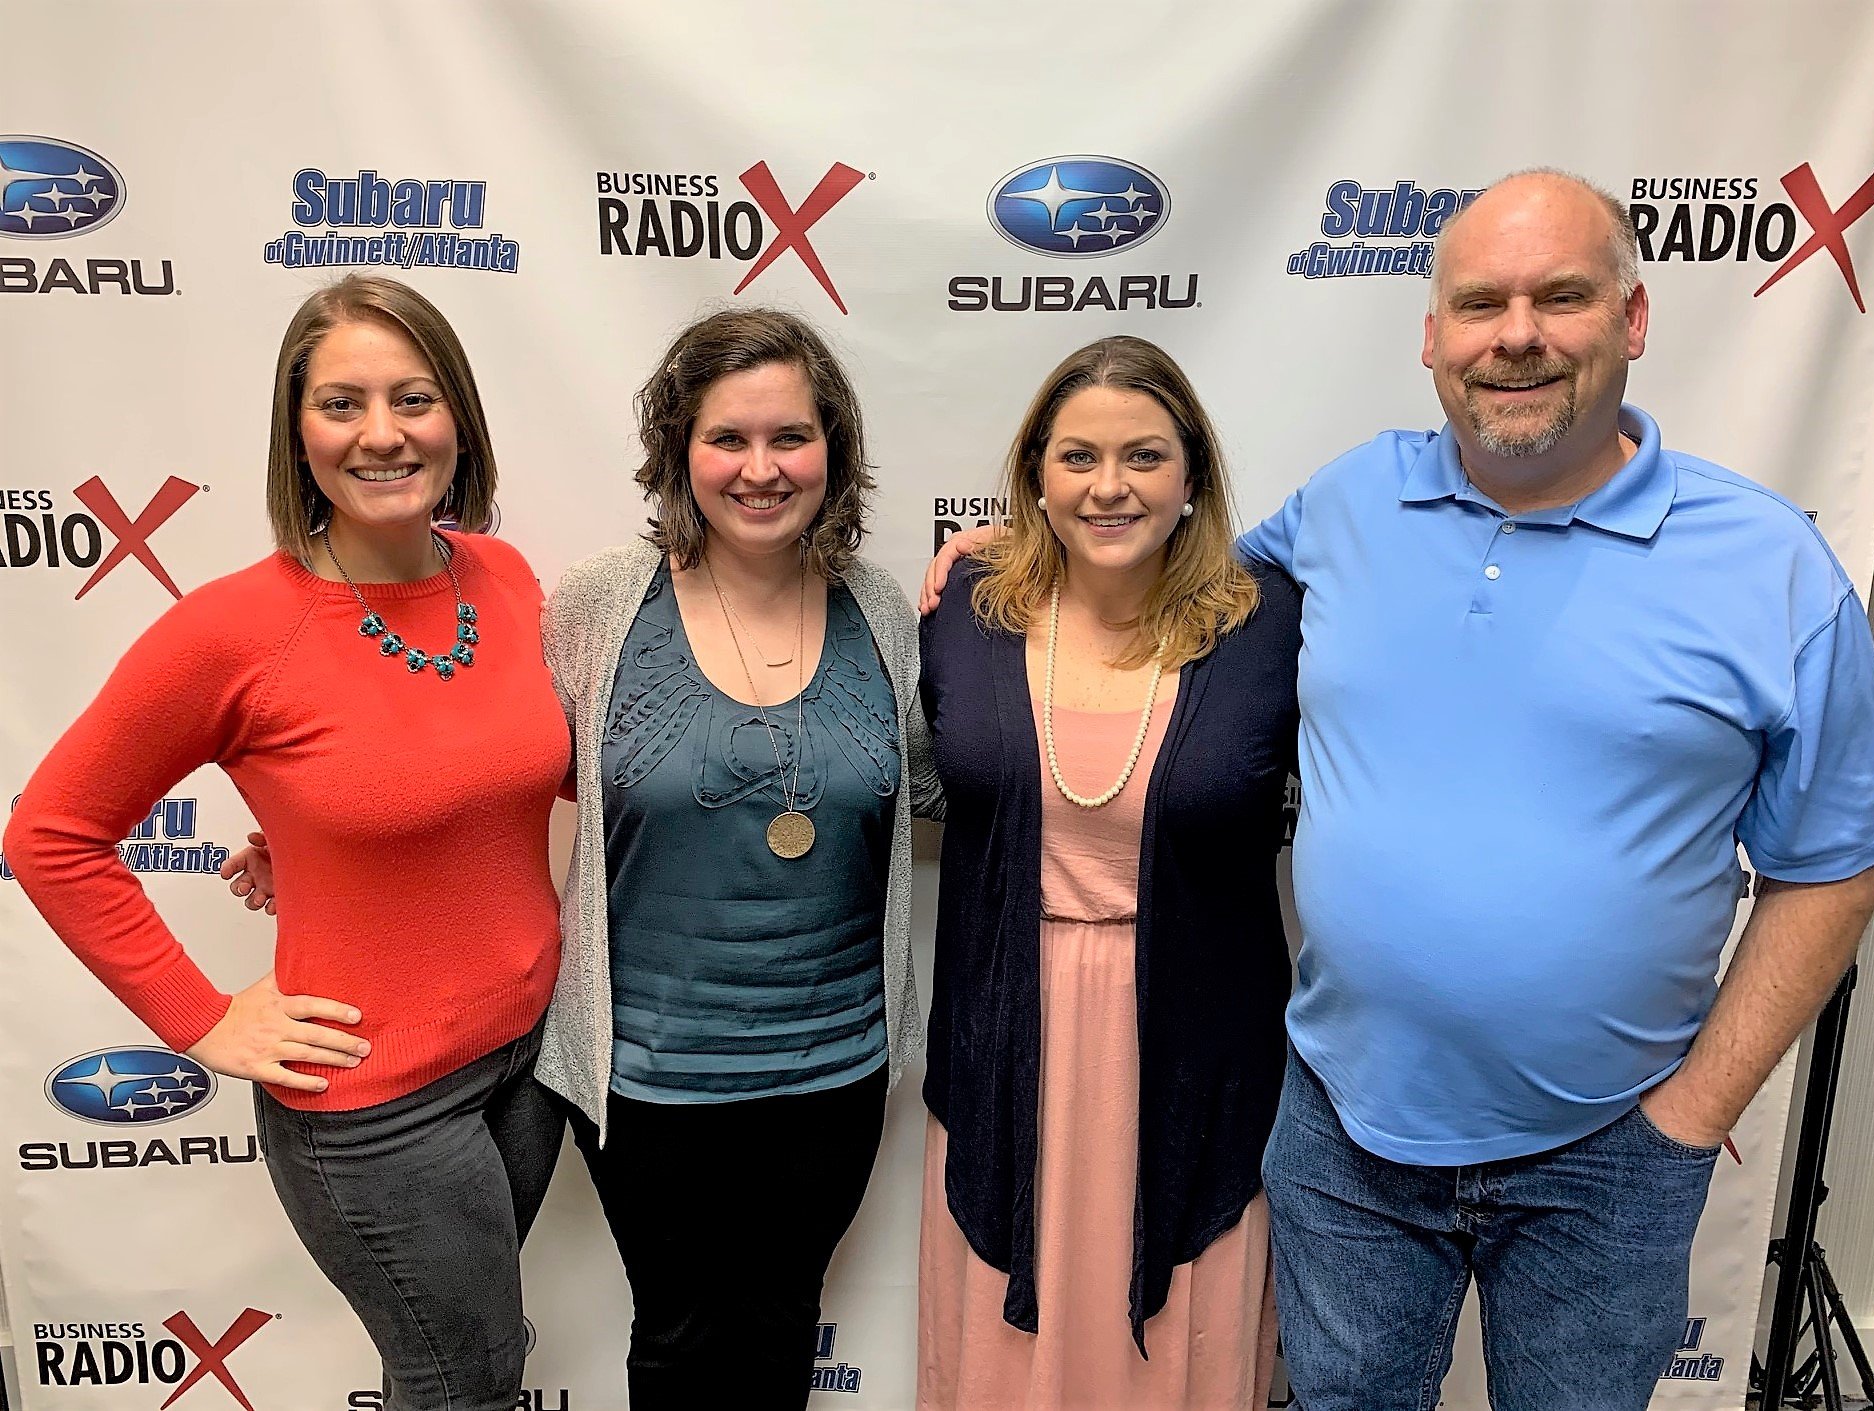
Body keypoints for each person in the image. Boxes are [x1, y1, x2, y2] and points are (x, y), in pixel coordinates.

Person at [924, 169, 1874, 1411]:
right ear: (1432, 336)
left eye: (1561, 297)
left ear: (1635, 317)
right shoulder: (1346, 506)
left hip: (1608, 1150)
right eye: (1480, 304)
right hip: (1340, 1134)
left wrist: (1691, 1115)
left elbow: (1833, 864)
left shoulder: (1770, 567)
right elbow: (1156, 566)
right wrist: (1015, 547)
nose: (1516, 336)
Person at [4, 275, 569, 1411]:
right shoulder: (233, 629)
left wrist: (322, 836)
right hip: (376, 1105)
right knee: (465, 1386)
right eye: (341, 403)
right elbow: (51, 834)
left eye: (413, 398)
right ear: (296, 434)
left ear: (458, 418)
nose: (381, 433)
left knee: (472, 1369)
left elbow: (491, 774)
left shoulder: (502, 578)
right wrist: (200, 1017)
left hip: (528, 1057)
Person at [529, 308, 943, 1407]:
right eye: (727, 438)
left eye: (790, 437)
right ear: (680, 451)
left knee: (779, 1327)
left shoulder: (879, 608)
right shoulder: (601, 603)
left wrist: (1019, 586)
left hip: (832, 1071)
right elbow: (499, 764)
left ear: (832, 450)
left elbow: (938, 782)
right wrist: (320, 839)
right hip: (646, 1075)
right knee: (675, 1336)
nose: (761, 469)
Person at [917, 336, 1300, 1409]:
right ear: (1035, 475)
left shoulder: (1269, 622)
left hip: (1196, 1047)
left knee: (1179, 1338)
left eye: (1143, 456)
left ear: (1193, 477)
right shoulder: (968, 609)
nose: (1109, 485)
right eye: (1078, 456)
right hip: (1005, 1033)